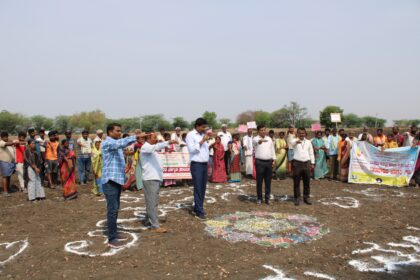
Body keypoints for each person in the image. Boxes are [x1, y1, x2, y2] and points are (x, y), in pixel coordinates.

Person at [101, 124, 145, 248]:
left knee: (115, 209)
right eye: (117, 131)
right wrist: (136, 137)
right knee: (112, 210)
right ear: (110, 132)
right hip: (110, 182)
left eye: (121, 131)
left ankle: (114, 233)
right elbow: (120, 143)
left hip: (116, 181)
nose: (119, 133)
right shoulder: (108, 143)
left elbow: (122, 148)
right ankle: (112, 239)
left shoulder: (115, 143)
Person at [140, 133, 177, 233]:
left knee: (153, 201)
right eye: (154, 138)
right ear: (148, 138)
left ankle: (149, 220)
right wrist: (167, 142)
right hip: (150, 178)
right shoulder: (146, 147)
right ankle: (155, 226)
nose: (156, 140)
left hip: (155, 178)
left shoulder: (152, 148)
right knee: (152, 202)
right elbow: (157, 146)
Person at [186, 118, 210, 220]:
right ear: (197, 126)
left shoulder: (202, 135)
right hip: (197, 165)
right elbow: (192, 150)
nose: (205, 129)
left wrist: (205, 139)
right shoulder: (190, 135)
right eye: (203, 127)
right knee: (198, 187)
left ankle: (198, 207)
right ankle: (199, 211)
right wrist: (202, 141)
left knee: (203, 187)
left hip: (205, 164)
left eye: (205, 127)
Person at [289, 128, 315, 206]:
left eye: (303, 133)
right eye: (300, 133)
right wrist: (296, 142)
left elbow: (311, 153)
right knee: (296, 182)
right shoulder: (294, 141)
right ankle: (297, 198)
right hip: (297, 163)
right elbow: (291, 143)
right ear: (297, 134)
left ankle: (306, 197)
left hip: (307, 163)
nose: (301, 134)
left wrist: (312, 163)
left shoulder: (308, 142)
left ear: (305, 134)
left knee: (307, 182)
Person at [253, 125, 275, 205]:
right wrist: (260, 141)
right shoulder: (255, 138)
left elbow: (272, 149)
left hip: (268, 162)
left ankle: (267, 198)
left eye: (264, 130)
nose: (263, 131)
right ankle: (259, 198)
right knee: (259, 181)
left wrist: (274, 159)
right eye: (261, 130)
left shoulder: (269, 139)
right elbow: (256, 142)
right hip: (259, 162)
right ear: (258, 131)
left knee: (268, 181)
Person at [0, 132, 18, 197]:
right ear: (1, 137)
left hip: (10, 162)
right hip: (4, 162)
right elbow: (7, 144)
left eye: (7, 136)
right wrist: (14, 142)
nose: (6, 138)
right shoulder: (1, 142)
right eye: (4, 137)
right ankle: (5, 191)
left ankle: (8, 188)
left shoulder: (9, 143)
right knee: (5, 176)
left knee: (9, 176)